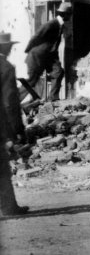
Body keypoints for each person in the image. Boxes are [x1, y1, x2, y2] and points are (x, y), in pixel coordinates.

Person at [0, 32, 29, 216]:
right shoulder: (6, 67)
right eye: (10, 46)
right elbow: (10, 102)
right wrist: (16, 131)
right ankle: (9, 208)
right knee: (2, 168)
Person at [22, 1, 71, 101]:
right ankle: (13, 101)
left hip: (49, 57)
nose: (70, 17)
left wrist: (55, 59)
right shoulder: (51, 24)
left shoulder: (60, 26)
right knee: (32, 81)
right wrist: (29, 51)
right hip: (37, 56)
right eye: (69, 14)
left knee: (58, 72)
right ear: (65, 14)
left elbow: (54, 45)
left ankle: (52, 99)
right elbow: (36, 36)